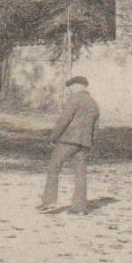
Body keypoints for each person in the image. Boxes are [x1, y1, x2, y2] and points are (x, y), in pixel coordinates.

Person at [39, 75, 100, 214]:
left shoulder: (74, 99)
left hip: (68, 140)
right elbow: (95, 127)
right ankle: (79, 208)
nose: (70, 90)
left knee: (53, 168)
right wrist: (91, 143)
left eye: (71, 87)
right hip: (84, 143)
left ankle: (49, 202)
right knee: (80, 175)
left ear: (77, 86)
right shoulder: (93, 103)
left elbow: (64, 120)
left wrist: (53, 137)